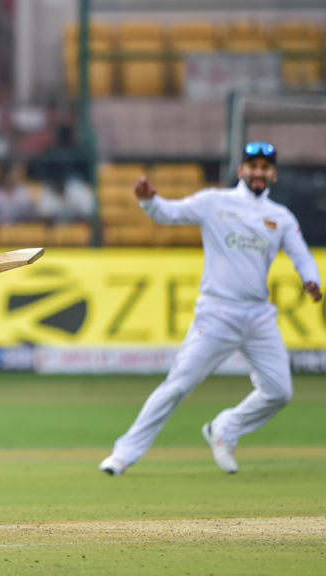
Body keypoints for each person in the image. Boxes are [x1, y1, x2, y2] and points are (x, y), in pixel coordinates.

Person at [99, 142, 321, 477]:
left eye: (265, 167)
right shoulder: (214, 202)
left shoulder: (281, 217)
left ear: (273, 173)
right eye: (252, 166)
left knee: (279, 391)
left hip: (258, 315)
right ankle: (123, 454)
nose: (258, 172)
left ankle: (226, 429)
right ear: (240, 170)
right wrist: (148, 199)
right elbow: (168, 213)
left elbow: (301, 254)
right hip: (217, 313)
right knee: (177, 385)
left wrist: (310, 278)